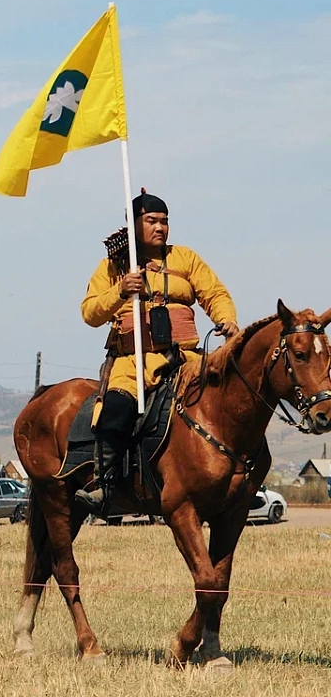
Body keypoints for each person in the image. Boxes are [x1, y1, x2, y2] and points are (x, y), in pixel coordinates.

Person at [75, 190, 239, 514]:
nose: (160, 227)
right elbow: (90, 313)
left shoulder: (186, 258)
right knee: (115, 409)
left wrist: (227, 319)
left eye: (164, 221)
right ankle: (105, 487)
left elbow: (215, 292)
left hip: (188, 357)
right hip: (134, 361)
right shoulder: (113, 266)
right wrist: (120, 291)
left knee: (227, 396)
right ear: (135, 224)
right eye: (151, 221)